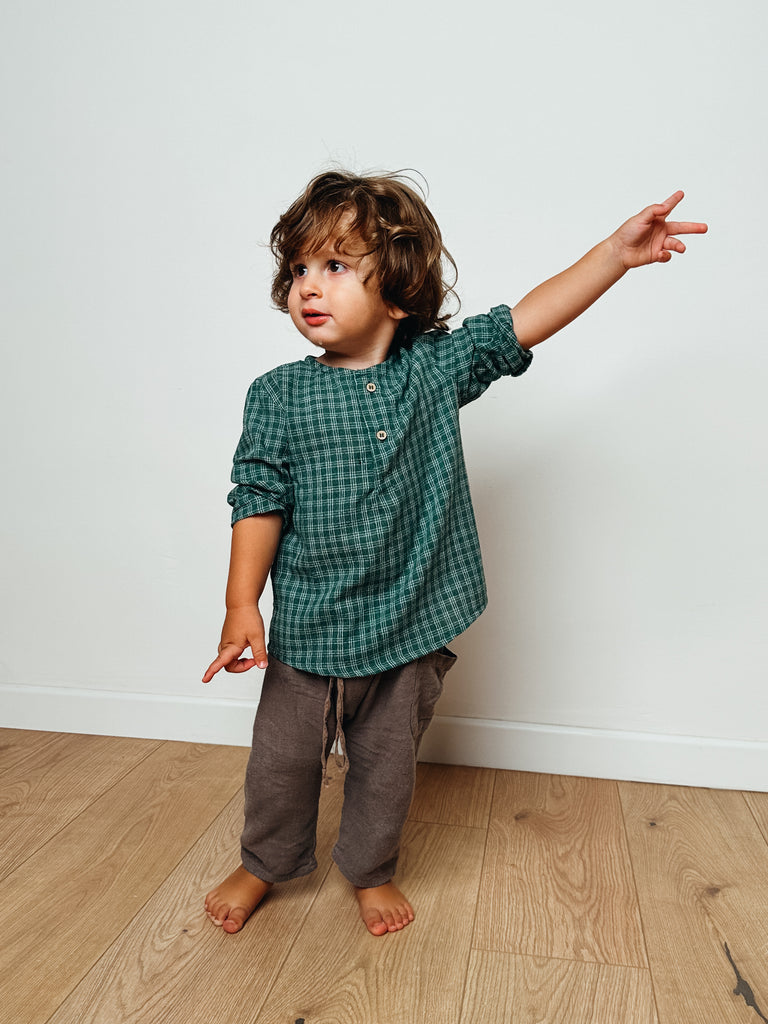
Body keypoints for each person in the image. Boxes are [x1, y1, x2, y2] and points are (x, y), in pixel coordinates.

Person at [202, 170, 707, 936]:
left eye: (335, 265)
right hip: (309, 629)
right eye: (299, 268)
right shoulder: (276, 395)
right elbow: (257, 500)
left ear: (397, 292)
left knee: (387, 770)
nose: (308, 285)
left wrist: (613, 254)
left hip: (409, 626)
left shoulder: (431, 372)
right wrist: (242, 603)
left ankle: (370, 868)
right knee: (280, 765)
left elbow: (520, 323)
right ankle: (264, 862)